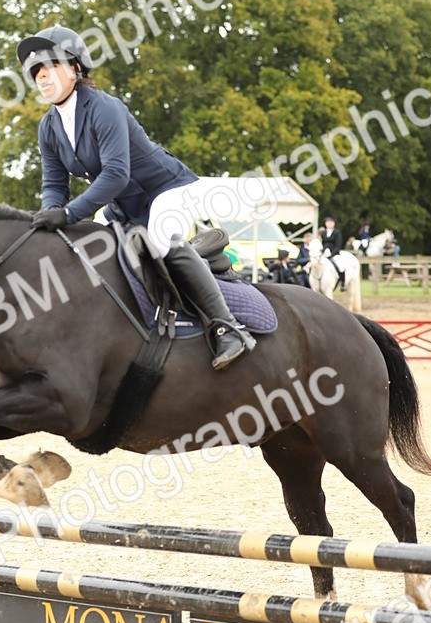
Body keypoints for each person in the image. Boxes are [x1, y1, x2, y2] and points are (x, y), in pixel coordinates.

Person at [16, 24, 256, 369]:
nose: (42, 75)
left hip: (168, 189)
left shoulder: (104, 108)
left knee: (160, 240)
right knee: (87, 250)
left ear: (76, 68)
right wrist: (50, 213)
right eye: (36, 70)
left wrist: (68, 214)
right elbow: (54, 183)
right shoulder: (48, 127)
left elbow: (116, 173)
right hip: (123, 205)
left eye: (51, 65)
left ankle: (228, 329)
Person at [321, 215, 345, 290]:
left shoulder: (337, 232)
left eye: (331, 222)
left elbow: (338, 245)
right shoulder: (323, 232)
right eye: (328, 222)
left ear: (334, 223)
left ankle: (342, 283)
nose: (329, 224)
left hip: (334, 253)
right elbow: (322, 243)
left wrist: (332, 255)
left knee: (341, 266)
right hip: (324, 253)